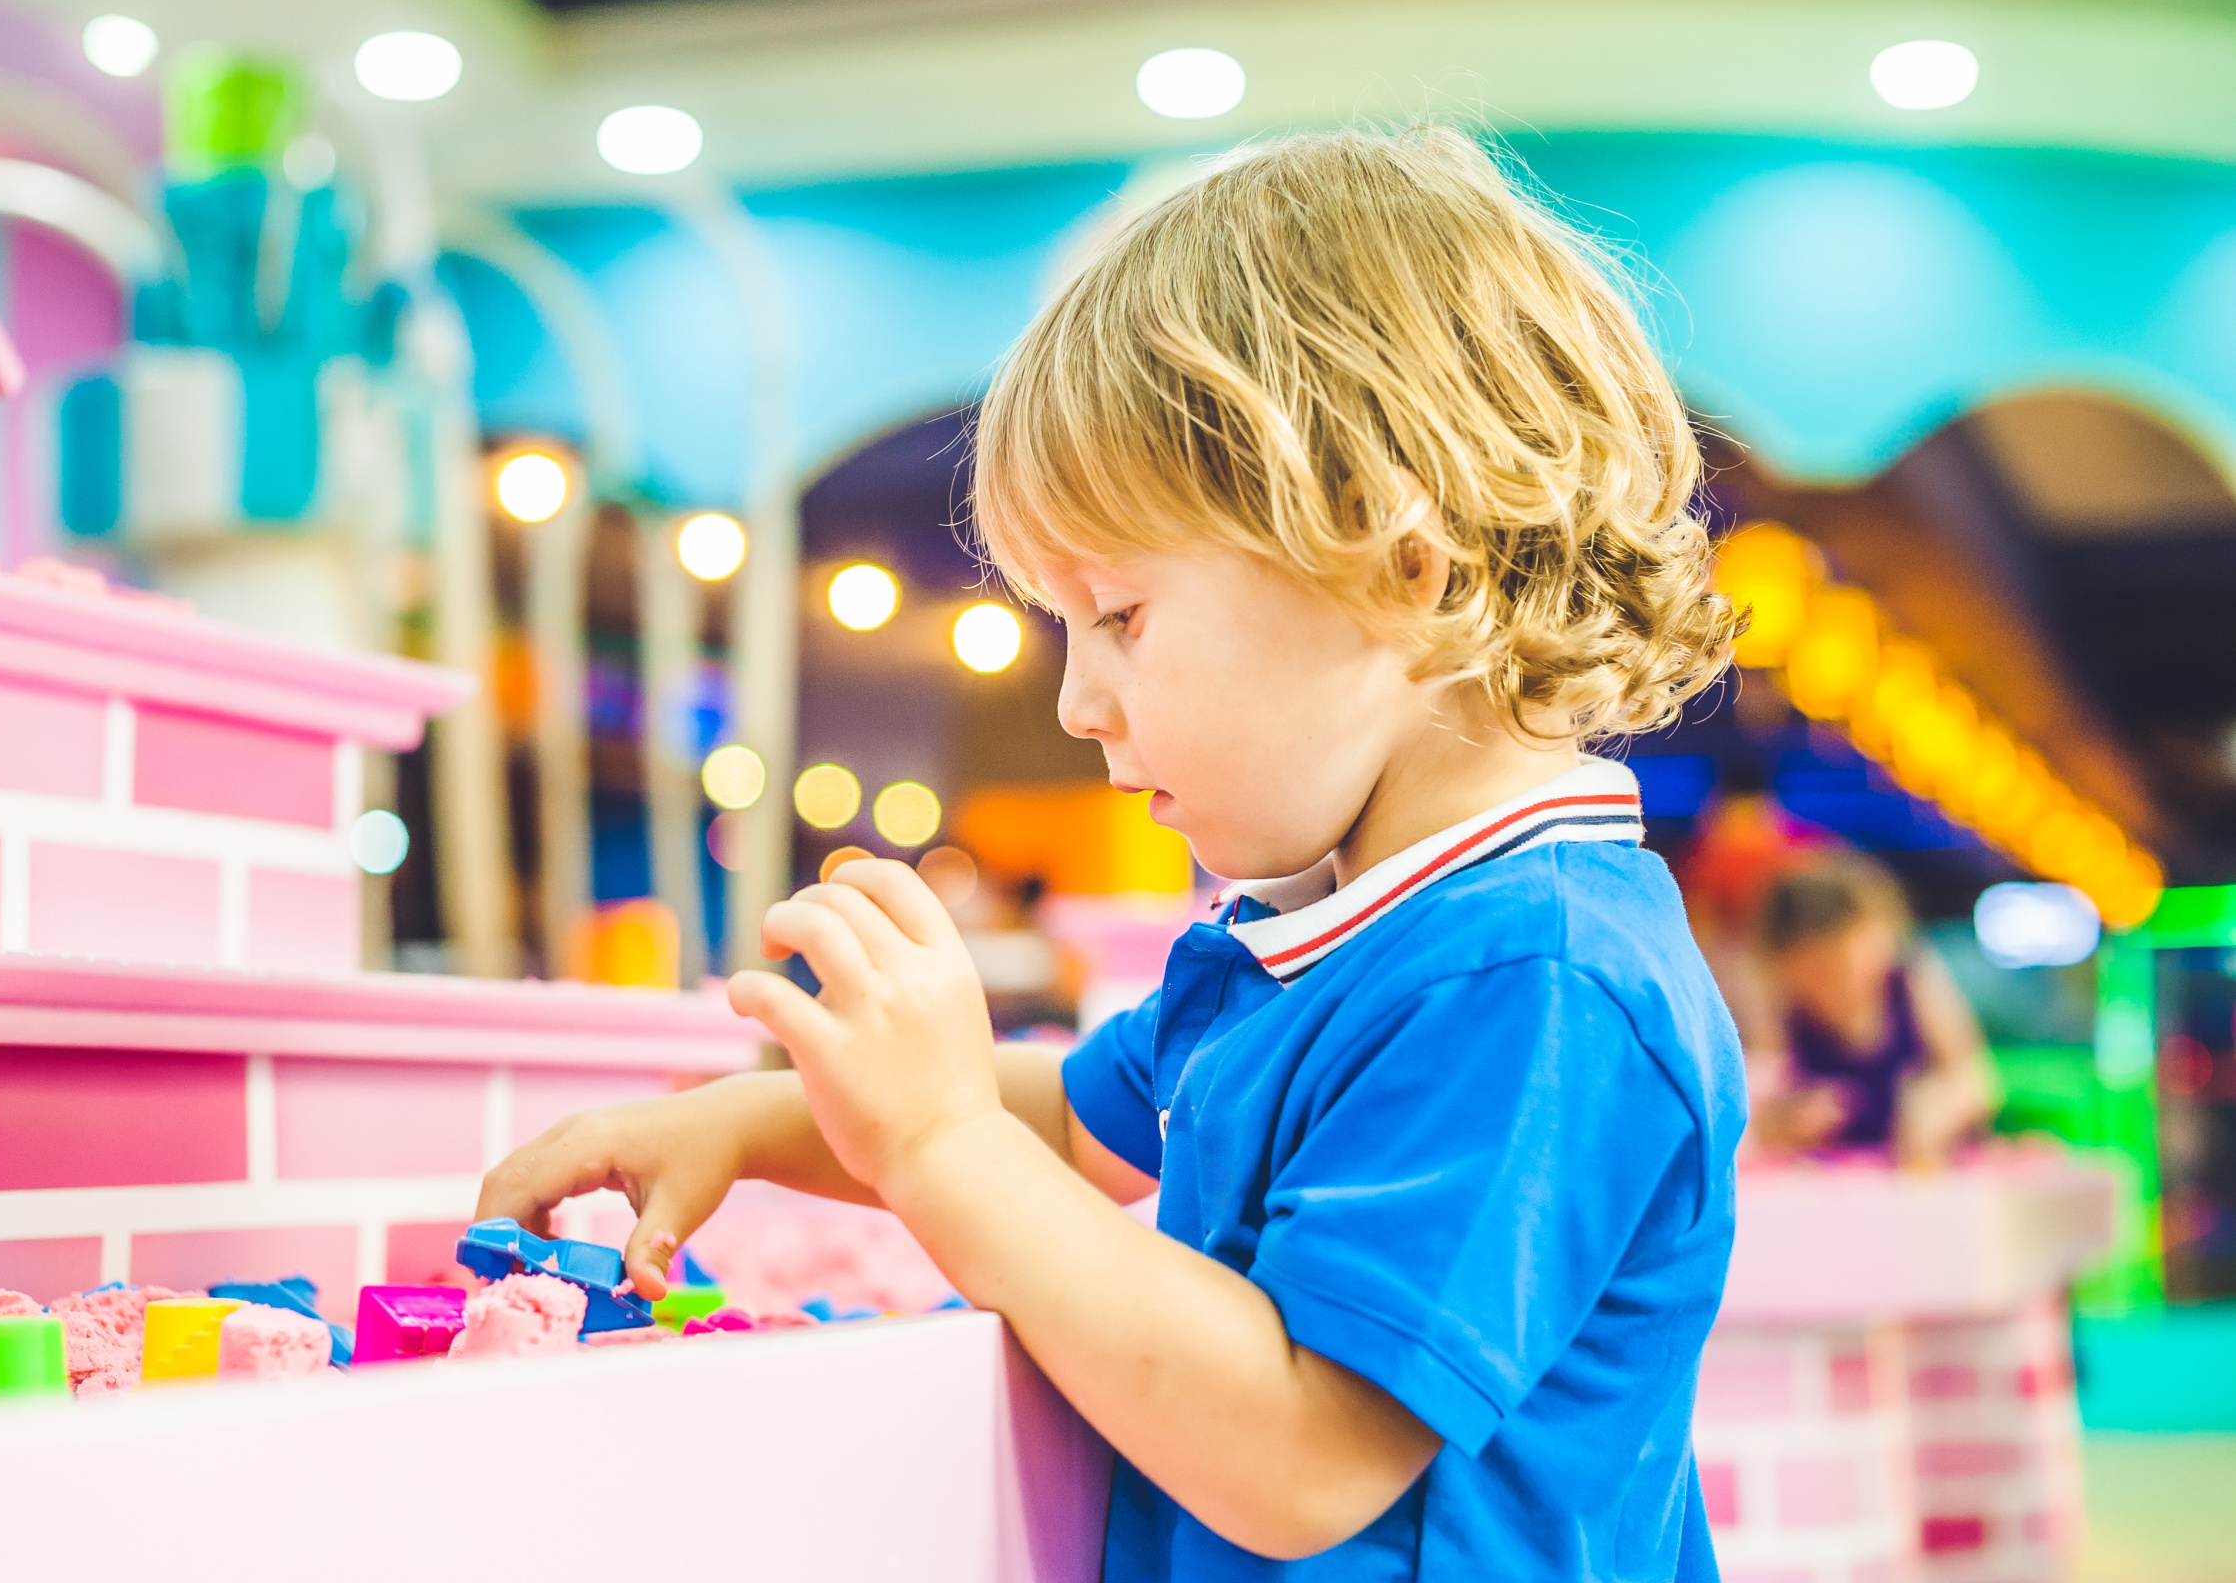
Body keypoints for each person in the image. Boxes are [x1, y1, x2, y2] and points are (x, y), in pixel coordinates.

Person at [479, 126, 1747, 1579]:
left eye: (1121, 616)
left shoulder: (1534, 976)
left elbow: (1301, 1454)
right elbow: (1077, 1126)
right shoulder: (1314, 942)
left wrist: (936, 1142)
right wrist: (757, 1122)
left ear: (1403, 566)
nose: (1077, 703)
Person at [1746, 851, 1995, 1167]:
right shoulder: (1781, 1012)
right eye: (1811, 975)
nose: (1828, 990)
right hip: (1831, 1181)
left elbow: (1975, 1079)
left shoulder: (1911, 981)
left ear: (1878, 939)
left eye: (1838, 968)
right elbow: (1758, 1111)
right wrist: (1783, 1123)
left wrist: (1940, 1108)